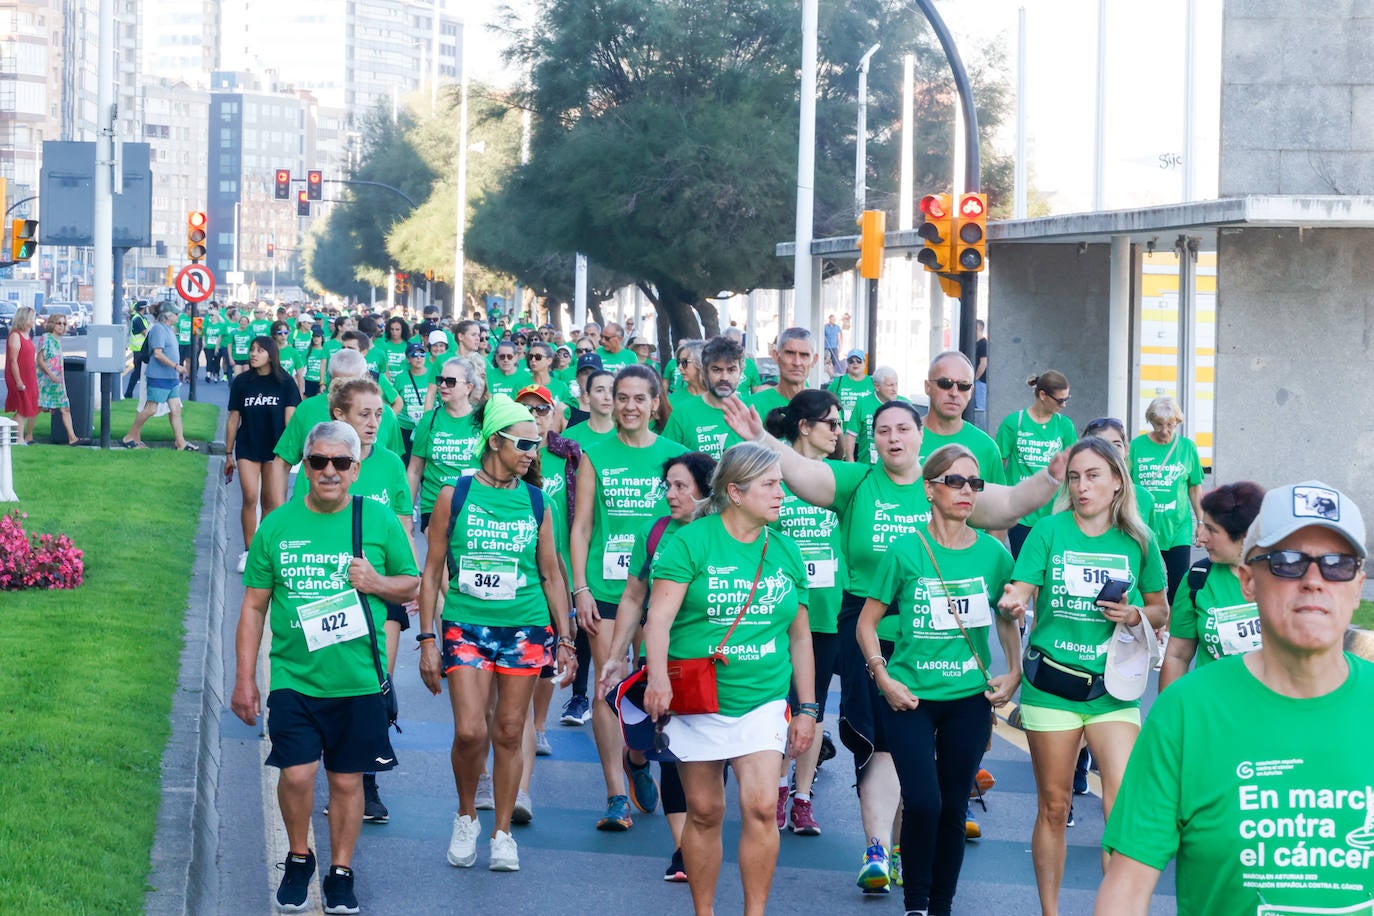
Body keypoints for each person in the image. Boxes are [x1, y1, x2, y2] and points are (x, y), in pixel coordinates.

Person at [722, 393, 1064, 897]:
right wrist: (762, 439)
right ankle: (878, 848)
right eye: (883, 430)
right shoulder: (857, 482)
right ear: (872, 438)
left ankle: (910, 846)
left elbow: (1014, 501)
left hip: (942, 645)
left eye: (903, 429)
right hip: (871, 630)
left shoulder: (954, 485)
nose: (894, 438)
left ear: (921, 437)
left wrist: (1054, 475)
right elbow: (798, 469)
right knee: (881, 743)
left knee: (928, 770)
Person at [1097, 480, 1374, 916]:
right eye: (1287, 562)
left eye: (1337, 564)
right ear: (1248, 580)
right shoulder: (1185, 713)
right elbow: (1126, 887)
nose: (1314, 581)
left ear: (1358, 585)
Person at [231, 420, 420, 914]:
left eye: (340, 463)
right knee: (296, 775)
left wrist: (376, 582)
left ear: (355, 469)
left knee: (345, 782)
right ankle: (298, 856)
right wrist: (244, 678)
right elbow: (253, 608)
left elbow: (411, 583)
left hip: (357, 680)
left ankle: (341, 870)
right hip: (294, 678)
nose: (329, 471)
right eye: (318, 462)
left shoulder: (376, 520)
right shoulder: (276, 526)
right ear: (305, 467)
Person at [643, 443, 816, 916]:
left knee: (761, 806)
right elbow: (657, 620)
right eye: (771, 485)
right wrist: (656, 677)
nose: (782, 493)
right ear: (735, 492)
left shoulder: (784, 548)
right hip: (698, 695)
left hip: (761, 697)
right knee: (705, 811)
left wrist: (807, 708)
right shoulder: (690, 542)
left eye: (781, 483)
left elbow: (800, 638)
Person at [997, 437, 1168, 916]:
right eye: (1074, 477)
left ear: (1117, 481)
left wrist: (1135, 615)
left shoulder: (1139, 539)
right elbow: (1022, 589)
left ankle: (1118, 907)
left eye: (1093, 475)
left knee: (1122, 805)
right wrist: (1014, 600)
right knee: (1054, 807)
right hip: (1052, 686)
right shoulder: (1049, 531)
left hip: (1113, 689)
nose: (1082, 485)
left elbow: (1160, 610)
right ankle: (1051, 911)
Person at [858, 444, 1020, 916]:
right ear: (929, 489)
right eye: (955, 481)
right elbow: (866, 623)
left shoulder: (992, 555)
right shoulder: (905, 550)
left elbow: (1007, 618)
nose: (967, 490)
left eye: (975, 483)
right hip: (910, 696)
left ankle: (940, 907)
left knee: (952, 808)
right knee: (924, 802)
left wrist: (1011, 671)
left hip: (968, 700)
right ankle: (914, 904)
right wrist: (882, 677)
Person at [418, 396, 576, 873]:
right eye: (524, 442)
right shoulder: (455, 494)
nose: (532, 451)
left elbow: (552, 574)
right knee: (470, 731)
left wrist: (566, 638)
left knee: (509, 731)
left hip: (526, 627)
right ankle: (466, 815)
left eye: (537, 444)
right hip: (466, 625)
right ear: (495, 440)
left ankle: (502, 832)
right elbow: (431, 572)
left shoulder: (537, 501)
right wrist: (427, 639)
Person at [570, 365, 687, 829]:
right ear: (610, 401)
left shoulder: (677, 456)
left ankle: (638, 758)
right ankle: (615, 793)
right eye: (623, 397)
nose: (631, 406)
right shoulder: (593, 455)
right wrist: (580, 587)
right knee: (607, 683)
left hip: (664, 591)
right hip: (607, 588)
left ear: (656, 403)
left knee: (652, 680)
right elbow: (581, 527)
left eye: (641, 398)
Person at [596, 451, 717, 882]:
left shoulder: (723, 533)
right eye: (667, 485)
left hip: (715, 662)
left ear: (707, 491)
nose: (671, 494)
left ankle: (637, 760)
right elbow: (633, 596)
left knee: (703, 756)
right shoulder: (657, 532)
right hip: (662, 659)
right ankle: (683, 850)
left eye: (681, 486)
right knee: (671, 752)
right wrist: (615, 655)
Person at [763, 389, 845, 837]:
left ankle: (803, 796)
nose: (838, 432)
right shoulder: (775, 475)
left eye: (840, 424)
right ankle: (776, 787)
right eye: (831, 423)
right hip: (782, 612)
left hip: (828, 612)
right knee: (782, 705)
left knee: (813, 707)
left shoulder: (839, 480)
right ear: (804, 427)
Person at [1157, 481, 1265, 690]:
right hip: (1210, 714)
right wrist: (1169, 715)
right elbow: (1177, 656)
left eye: (1212, 530)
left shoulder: (1285, 580)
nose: (1201, 537)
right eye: (1203, 526)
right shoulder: (1197, 579)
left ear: (1245, 536)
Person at [226, 335, 301, 572]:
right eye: (251, 350)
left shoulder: (286, 383)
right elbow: (233, 418)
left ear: (271, 354)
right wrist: (228, 452)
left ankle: (265, 549)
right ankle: (249, 551)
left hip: (275, 449)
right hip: (247, 445)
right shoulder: (241, 382)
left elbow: (291, 420)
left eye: (259, 350)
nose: (253, 354)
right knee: (250, 496)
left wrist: (291, 452)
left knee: (270, 502)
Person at [1129, 395, 1205, 602]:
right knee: (1142, 581)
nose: (1165, 431)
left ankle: (1172, 630)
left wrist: (1201, 522)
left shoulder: (1188, 448)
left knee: (1179, 584)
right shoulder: (1136, 446)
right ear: (1150, 422)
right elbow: (1125, 485)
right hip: (1143, 525)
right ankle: (1146, 624)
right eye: (1159, 425)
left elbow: (1195, 488)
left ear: (1177, 422)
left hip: (1177, 527)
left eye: (1170, 425)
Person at [996, 370, 1077, 556]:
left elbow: (1072, 465)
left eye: (1067, 399)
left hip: (1053, 510)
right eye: (1060, 400)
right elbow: (998, 465)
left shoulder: (1065, 425)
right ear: (1042, 395)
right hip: (1020, 512)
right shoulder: (1014, 422)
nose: (1064, 405)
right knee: (1023, 566)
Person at [407, 356, 483, 532]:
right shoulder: (429, 420)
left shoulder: (482, 421)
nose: (442, 386)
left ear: (468, 388)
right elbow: (414, 470)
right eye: (441, 380)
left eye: (450, 382)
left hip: (472, 506)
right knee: (439, 560)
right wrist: (407, 514)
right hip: (433, 506)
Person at [921, 351, 1004, 486]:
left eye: (963, 386)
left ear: (971, 392)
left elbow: (998, 505)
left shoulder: (987, 448)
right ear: (927, 387)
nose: (954, 393)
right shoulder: (901, 440)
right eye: (945, 383)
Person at [661, 335, 747, 460]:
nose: (724, 377)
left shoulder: (751, 411)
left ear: (740, 373)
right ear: (705, 372)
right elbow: (665, 460)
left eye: (731, 370)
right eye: (717, 370)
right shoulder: (682, 413)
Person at [122, 304, 194, 451]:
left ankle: (181, 443)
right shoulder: (158, 329)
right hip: (159, 376)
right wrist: (176, 366)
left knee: (175, 408)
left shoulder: (170, 330)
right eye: (175, 314)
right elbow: (158, 354)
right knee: (151, 408)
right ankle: (129, 436)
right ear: (167, 315)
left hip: (171, 377)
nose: (177, 316)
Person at [36, 313, 88, 445]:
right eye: (59, 323)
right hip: (46, 381)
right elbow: (40, 359)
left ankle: (72, 438)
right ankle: (25, 435)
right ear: (52, 324)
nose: (62, 326)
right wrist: (50, 374)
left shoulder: (58, 340)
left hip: (58, 382)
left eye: (64, 324)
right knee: (37, 407)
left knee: (65, 408)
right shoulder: (46, 338)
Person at [749, 327, 818, 417]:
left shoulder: (825, 407)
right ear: (776, 356)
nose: (797, 362)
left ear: (814, 360)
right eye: (790, 353)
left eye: (804, 355)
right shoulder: (753, 406)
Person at [844, 366, 906, 464]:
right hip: (866, 468)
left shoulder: (906, 405)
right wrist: (850, 462)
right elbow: (851, 434)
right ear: (877, 387)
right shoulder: (862, 404)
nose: (895, 389)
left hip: (897, 468)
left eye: (896, 384)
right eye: (890, 385)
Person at [4, 305, 38, 445]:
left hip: (29, 376)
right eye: (32, 317)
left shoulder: (27, 335)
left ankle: (13, 434)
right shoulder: (15, 335)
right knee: (23, 406)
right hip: (18, 376)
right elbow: (13, 361)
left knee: (27, 407)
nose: (34, 320)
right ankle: (19, 438)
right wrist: (18, 381)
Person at [395, 342, 430, 462]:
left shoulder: (433, 375)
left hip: (427, 426)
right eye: (414, 355)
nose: (419, 357)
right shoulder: (400, 378)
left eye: (422, 354)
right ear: (408, 359)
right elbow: (395, 401)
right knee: (408, 460)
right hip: (406, 426)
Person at [563, 365, 614, 448]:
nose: (607, 397)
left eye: (612, 391)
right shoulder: (569, 436)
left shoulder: (627, 434)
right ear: (587, 396)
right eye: (600, 390)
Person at [827, 349, 873, 422]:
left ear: (864, 362)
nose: (855, 363)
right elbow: (826, 402)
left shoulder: (873, 382)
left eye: (858, 360)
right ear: (847, 364)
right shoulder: (838, 382)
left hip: (866, 429)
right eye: (851, 361)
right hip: (843, 430)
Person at [123, 301, 150, 398]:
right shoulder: (137, 319)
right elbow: (145, 332)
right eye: (146, 307)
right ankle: (129, 393)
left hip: (142, 349)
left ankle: (129, 393)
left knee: (138, 372)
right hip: (140, 349)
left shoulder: (141, 318)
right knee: (139, 372)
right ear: (143, 308)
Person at [973, 320, 989, 415]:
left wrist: (975, 378)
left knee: (980, 408)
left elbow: (983, 363)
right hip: (978, 381)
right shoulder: (976, 343)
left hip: (981, 382)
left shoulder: (983, 343)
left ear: (977, 329)